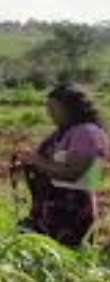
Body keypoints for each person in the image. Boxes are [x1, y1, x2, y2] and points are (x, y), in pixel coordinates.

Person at [16, 83, 109, 246]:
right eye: (48, 107)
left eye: (54, 107)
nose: (49, 112)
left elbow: (73, 173)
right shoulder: (65, 131)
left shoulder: (86, 133)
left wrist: (37, 161)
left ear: (70, 107)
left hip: (72, 211)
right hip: (52, 208)